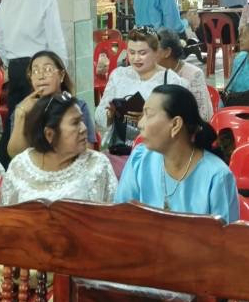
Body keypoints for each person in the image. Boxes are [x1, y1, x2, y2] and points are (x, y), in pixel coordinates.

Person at [114, 85, 238, 221]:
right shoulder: (140, 158)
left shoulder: (217, 176)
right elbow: (122, 217)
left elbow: (224, 239)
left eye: (148, 115)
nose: (140, 124)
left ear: (175, 125)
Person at [0, 0, 66, 158]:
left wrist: (12, 62)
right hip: (41, 67)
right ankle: (40, 163)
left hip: (16, 67)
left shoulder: (7, 0)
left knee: (15, 118)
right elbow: (55, 40)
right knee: (41, 118)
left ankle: (7, 168)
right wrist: (61, 71)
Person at [2, 92, 117, 204]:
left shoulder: (97, 165)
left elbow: (115, 216)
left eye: (81, 120)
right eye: (75, 123)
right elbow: (6, 217)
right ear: (49, 134)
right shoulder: (20, 168)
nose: (84, 128)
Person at [97, 29, 188, 147]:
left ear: (156, 52)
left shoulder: (171, 80)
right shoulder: (118, 75)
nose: (136, 58)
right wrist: (109, 114)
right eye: (131, 52)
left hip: (156, 147)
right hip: (120, 144)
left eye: (142, 53)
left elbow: (179, 121)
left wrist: (147, 118)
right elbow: (99, 115)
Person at [2, 50, 96, 161]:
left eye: (48, 70)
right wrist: (20, 115)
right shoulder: (24, 109)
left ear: (61, 75)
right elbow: (15, 155)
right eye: (35, 71)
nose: (41, 76)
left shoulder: (77, 107)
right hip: (36, 172)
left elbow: (86, 150)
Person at [155, 30, 212, 123]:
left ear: (167, 52)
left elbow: (203, 115)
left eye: (154, 49)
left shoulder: (194, 75)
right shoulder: (154, 72)